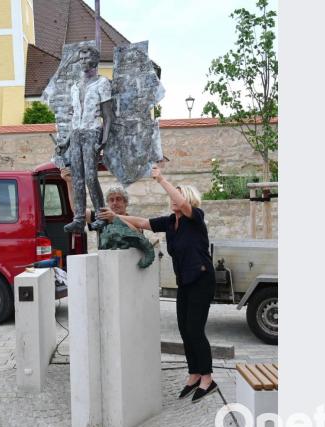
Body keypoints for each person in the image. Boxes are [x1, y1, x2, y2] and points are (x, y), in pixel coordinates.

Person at [97, 166, 217, 403]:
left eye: (177, 195)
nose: (172, 200)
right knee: (184, 329)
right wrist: (115, 217)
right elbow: (142, 222)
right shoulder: (171, 222)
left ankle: (208, 377)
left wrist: (161, 179)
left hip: (202, 280)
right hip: (185, 282)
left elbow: (183, 205)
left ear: (187, 199)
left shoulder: (195, 217)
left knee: (195, 329)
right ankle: (194, 373)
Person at [60, 44, 112, 234]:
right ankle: (79, 218)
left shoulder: (102, 83)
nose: (83, 61)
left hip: (92, 132)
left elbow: (107, 116)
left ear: (95, 60)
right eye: (81, 58)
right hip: (76, 134)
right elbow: (74, 118)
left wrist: (104, 139)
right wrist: (66, 142)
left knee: (90, 177)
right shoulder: (75, 86)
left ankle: (101, 215)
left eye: (86, 58)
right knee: (77, 179)